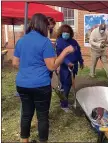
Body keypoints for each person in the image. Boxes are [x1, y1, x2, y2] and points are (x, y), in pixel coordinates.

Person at [12, 13, 74, 143]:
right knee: (42, 116)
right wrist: (65, 52)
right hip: (40, 85)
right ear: (43, 25)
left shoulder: (21, 40)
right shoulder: (45, 41)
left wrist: (27, 70)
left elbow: (15, 63)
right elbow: (52, 66)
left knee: (26, 114)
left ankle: (25, 141)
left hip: (22, 84)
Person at [56, 24, 84, 112]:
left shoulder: (74, 42)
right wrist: (67, 62)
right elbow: (59, 55)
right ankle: (64, 105)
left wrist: (81, 61)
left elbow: (78, 52)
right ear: (61, 32)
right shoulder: (59, 42)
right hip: (65, 68)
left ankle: (64, 100)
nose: (66, 34)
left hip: (74, 67)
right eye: (64, 32)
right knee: (66, 85)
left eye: (67, 32)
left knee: (69, 84)